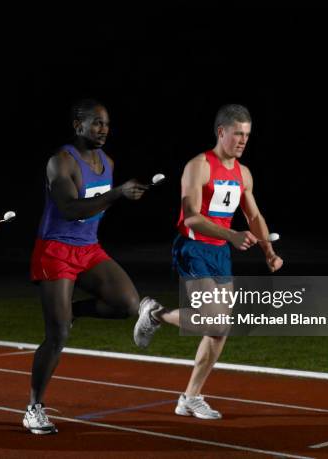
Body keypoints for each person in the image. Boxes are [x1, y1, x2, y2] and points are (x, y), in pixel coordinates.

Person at [134, 104, 283, 419]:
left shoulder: (243, 173)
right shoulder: (198, 166)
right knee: (214, 321)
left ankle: (190, 397)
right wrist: (231, 236)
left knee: (218, 329)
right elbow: (191, 217)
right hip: (193, 248)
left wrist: (268, 250)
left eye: (247, 135)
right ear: (221, 132)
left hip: (220, 253)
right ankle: (156, 313)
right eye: (237, 134)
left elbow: (253, 215)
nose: (243, 140)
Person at [24, 99, 148, 434]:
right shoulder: (60, 162)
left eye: (106, 124)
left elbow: (96, 208)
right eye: (96, 123)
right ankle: (34, 406)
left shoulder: (107, 161)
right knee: (57, 335)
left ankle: (73, 311)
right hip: (55, 250)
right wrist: (119, 193)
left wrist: (122, 193)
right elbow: (69, 208)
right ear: (77, 125)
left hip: (89, 249)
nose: (103, 130)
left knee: (128, 304)